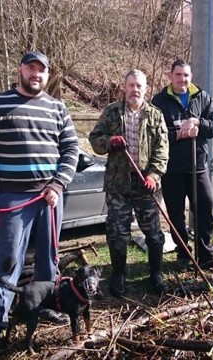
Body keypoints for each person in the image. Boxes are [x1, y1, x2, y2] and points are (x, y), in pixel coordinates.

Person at [0, 51, 79, 358]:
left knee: (48, 260)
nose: (36, 74)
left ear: (47, 75)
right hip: (13, 198)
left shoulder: (58, 108)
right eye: (31, 68)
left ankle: (45, 307)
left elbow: (71, 150)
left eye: (41, 70)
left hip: (49, 197)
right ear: (21, 70)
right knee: (5, 263)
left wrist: (57, 184)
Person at [88, 69, 170, 297]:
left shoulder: (155, 115)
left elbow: (163, 151)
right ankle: (118, 274)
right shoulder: (112, 112)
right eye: (131, 85)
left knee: (154, 234)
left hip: (147, 186)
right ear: (124, 87)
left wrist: (154, 175)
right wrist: (109, 142)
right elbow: (95, 140)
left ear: (146, 89)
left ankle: (156, 273)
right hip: (118, 185)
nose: (135, 89)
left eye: (139, 86)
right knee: (117, 233)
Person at [151, 59, 213, 271]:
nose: (182, 79)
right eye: (178, 75)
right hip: (172, 168)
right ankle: (183, 253)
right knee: (176, 214)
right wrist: (179, 133)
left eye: (186, 75)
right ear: (171, 76)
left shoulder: (201, 97)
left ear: (190, 76)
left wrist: (197, 123)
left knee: (205, 209)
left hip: (198, 166)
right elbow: (153, 134)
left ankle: (205, 254)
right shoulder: (159, 101)